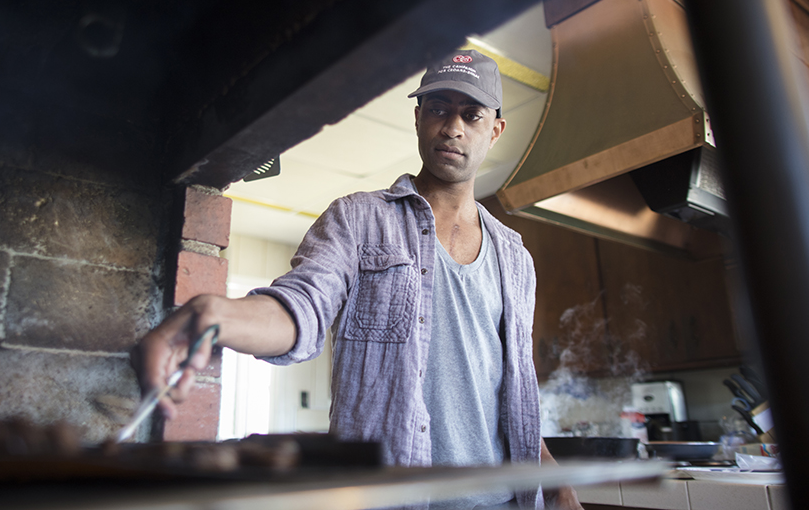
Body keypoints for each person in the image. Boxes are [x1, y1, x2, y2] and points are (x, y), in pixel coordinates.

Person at [132, 49, 583, 509]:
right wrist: (213, 316)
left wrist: (558, 485)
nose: (453, 127)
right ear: (418, 118)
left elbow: (514, 393)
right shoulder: (358, 219)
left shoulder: (515, 257)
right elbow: (302, 307)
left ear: (495, 129)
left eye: (472, 114)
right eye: (439, 109)